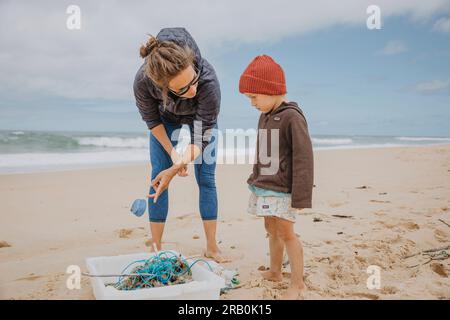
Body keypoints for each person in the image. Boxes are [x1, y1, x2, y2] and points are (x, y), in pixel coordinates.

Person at [133, 27, 226, 262]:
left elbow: (201, 136)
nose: (193, 90)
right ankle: (155, 246)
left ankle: (212, 247)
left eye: (192, 80)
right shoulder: (143, 83)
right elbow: (152, 121)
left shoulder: (207, 81)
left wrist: (177, 166)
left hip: (200, 122)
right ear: (163, 87)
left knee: (206, 178)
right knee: (158, 177)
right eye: (183, 88)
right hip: (166, 120)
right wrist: (173, 153)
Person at [239, 55, 314, 299]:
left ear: (270, 90)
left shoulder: (292, 117)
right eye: (249, 98)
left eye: (254, 97)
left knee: (286, 233)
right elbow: (264, 152)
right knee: (270, 228)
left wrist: (301, 197)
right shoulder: (265, 115)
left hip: (284, 189)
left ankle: (298, 282)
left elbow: (304, 158)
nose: (252, 103)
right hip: (266, 186)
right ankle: (275, 272)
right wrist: (256, 178)